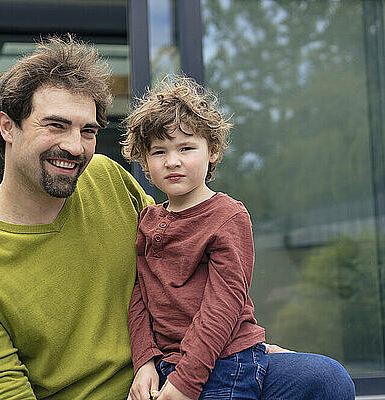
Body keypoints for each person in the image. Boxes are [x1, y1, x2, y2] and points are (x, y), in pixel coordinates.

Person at [0, 36, 155, 399]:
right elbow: (4, 392)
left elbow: (184, 261)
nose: (75, 147)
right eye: (55, 125)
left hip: (177, 377)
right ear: (7, 127)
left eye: (88, 131)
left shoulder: (107, 177)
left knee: (283, 374)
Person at [121, 76, 356, 400]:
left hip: (225, 361)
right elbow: (139, 298)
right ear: (145, 161)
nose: (172, 161)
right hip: (166, 365)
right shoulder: (147, 221)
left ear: (212, 151)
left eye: (186, 148)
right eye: (158, 151)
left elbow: (224, 304)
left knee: (329, 379)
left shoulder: (227, 216)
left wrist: (183, 384)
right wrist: (144, 362)